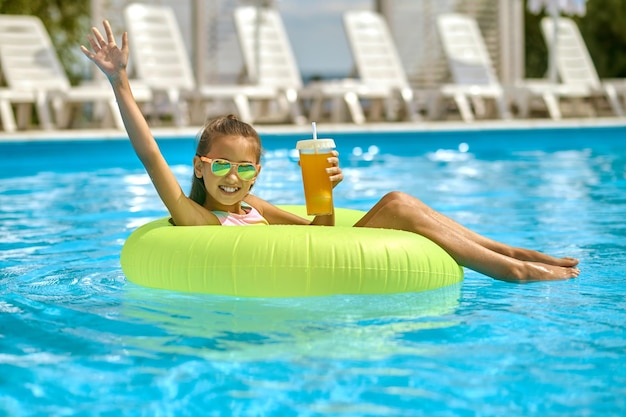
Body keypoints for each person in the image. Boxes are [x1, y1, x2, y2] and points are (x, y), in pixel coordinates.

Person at [81, 21, 580, 283]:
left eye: (245, 167)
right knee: (399, 204)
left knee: (399, 201)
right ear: (201, 166)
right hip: (291, 278)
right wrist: (120, 81)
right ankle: (514, 268)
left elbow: (320, 235)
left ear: (256, 173)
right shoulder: (197, 219)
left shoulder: (253, 207)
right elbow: (149, 155)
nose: (232, 178)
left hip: (316, 260)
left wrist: (320, 192)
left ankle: (513, 253)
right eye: (223, 165)